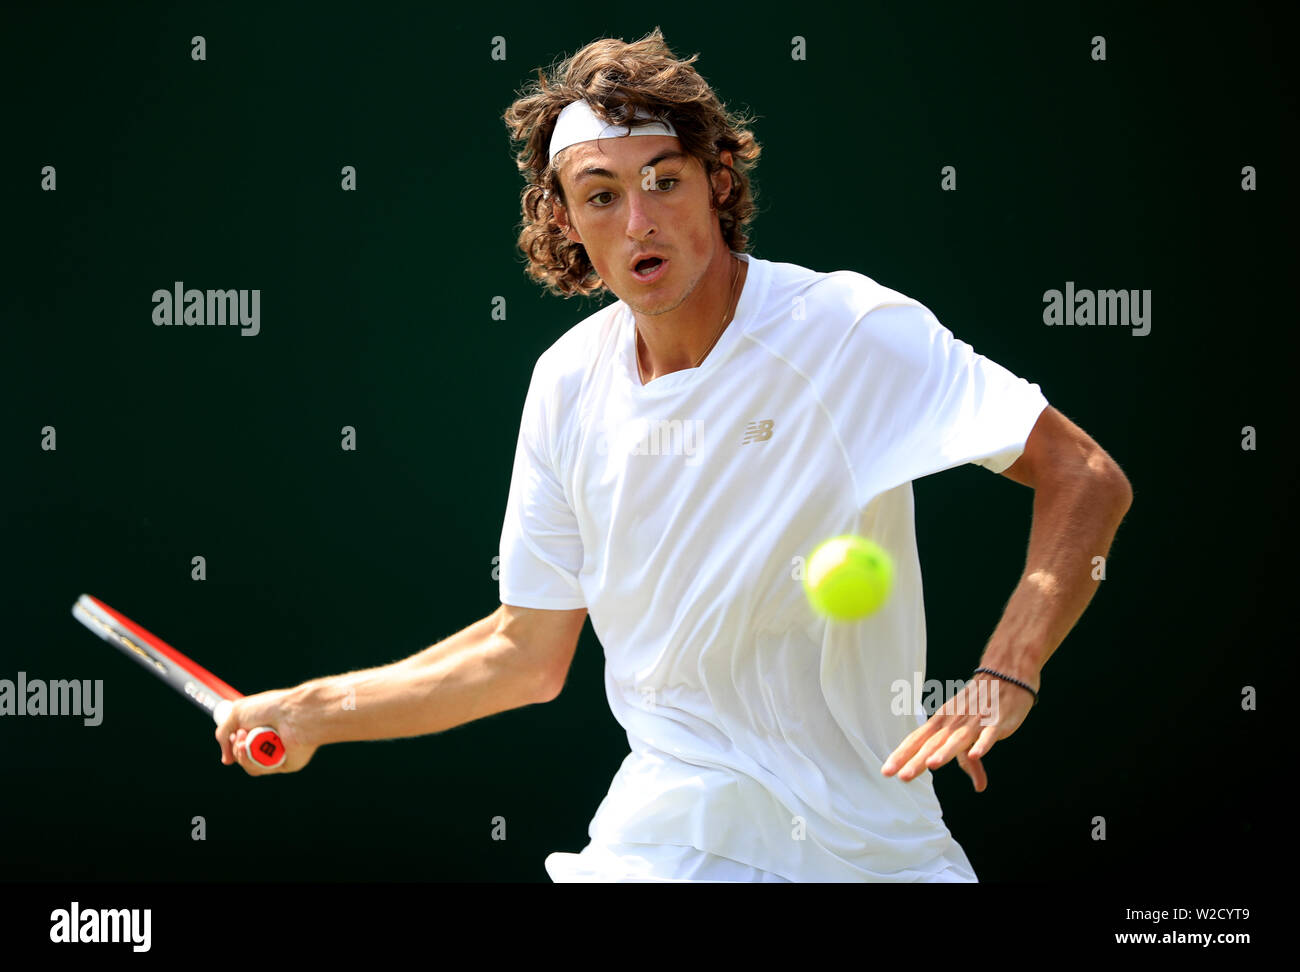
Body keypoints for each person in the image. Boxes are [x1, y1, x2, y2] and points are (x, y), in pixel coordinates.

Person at [216, 29, 1133, 883]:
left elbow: (1084, 474)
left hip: (869, 850)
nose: (639, 221)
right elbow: (524, 654)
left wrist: (1008, 666)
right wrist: (312, 711)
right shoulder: (568, 383)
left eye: (664, 180)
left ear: (718, 181)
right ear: (566, 220)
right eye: (602, 195)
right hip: (668, 834)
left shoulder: (847, 331)